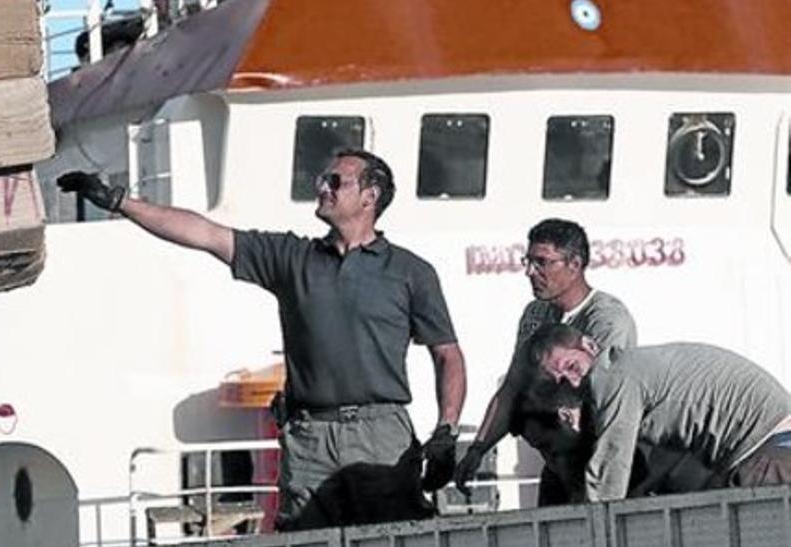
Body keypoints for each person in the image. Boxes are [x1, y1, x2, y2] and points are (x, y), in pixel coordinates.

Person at [57, 150, 466, 529]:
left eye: (335, 181)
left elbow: (447, 355)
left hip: (382, 436)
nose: (322, 187)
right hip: (309, 440)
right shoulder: (291, 258)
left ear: (369, 196)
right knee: (304, 538)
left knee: (398, 537)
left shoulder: (412, 273)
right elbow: (205, 234)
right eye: (324, 179)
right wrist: (120, 203)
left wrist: (446, 430)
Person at [454, 219, 637, 503]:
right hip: (556, 465)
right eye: (528, 261)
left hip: (596, 463)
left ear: (574, 265)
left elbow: (604, 401)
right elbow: (512, 388)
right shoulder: (535, 315)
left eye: (542, 262)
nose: (530, 271)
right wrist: (478, 448)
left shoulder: (608, 319)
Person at [528, 325, 791, 501]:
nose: (573, 383)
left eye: (572, 367)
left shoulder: (610, 377)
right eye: (560, 382)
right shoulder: (633, 369)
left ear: (589, 346)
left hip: (763, 449)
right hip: (771, 440)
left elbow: (609, 475)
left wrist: (588, 533)